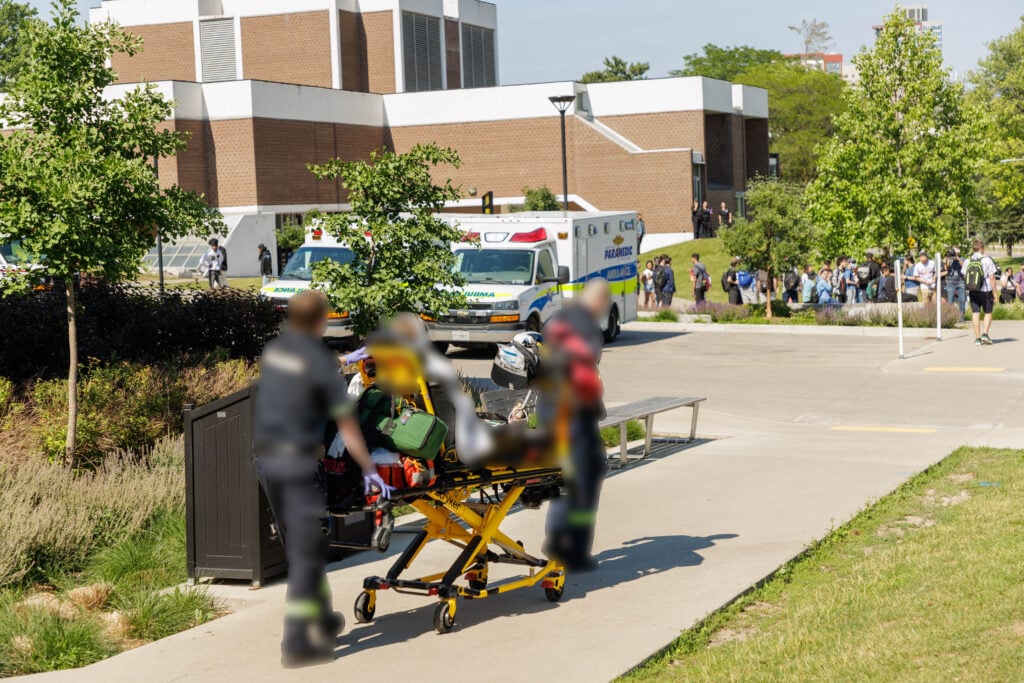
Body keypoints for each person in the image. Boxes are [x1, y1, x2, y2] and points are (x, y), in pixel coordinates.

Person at [253, 290, 389, 667]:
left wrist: (346, 360)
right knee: (307, 557)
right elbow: (347, 426)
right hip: (299, 467)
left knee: (302, 548)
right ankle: (297, 644)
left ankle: (324, 618)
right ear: (320, 321)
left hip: (268, 463)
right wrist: (370, 470)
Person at [543, 279, 611, 572]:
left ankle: (557, 539)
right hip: (577, 416)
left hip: (552, 413)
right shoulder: (588, 328)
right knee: (586, 481)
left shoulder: (557, 320)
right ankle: (575, 550)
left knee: (562, 478)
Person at [964, 239, 997, 346]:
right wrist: (995, 293)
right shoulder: (987, 260)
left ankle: (977, 338)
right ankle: (985, 334)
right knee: (988, 312)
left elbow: (964, 275)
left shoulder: (967, 260)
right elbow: (992, 278)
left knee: (975, 313)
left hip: (973, 290)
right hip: (985, 290)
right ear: (981, 248)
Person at [942, 249, 966, 316]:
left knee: (962, 300)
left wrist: (957, 258)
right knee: (950, 301)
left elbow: (964, 266)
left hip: (961, 282)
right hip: (950, 283)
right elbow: (946, 268)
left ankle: (961, 316)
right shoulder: (949, 258)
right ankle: (951, 316)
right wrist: (948, 258)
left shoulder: (962, 258)